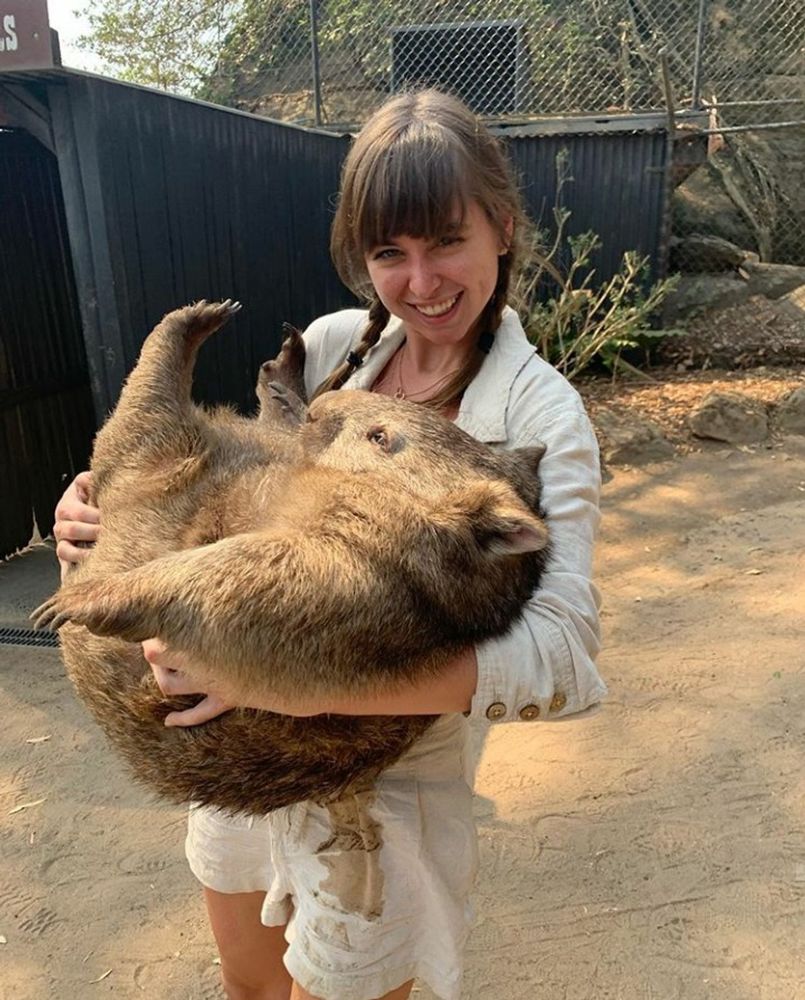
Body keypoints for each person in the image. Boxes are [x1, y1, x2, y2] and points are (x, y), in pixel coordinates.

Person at [53, 89, 606, 1000]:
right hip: (221, 730)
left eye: (447, 244)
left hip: (376, 787)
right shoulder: (338, 347)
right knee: (251, 983)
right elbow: (229, 480)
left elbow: (562, 657)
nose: (420, 284)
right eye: (391, 253)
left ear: (501, 228)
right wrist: (101, 502)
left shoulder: (536, 416)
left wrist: (291, 687)